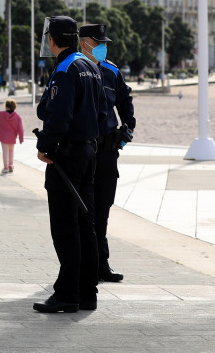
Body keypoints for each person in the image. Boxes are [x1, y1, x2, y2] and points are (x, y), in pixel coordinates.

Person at [33, 16, 105, 313]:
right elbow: (102, 113)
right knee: (85, 224)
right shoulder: (90, 66)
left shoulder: (65, 69)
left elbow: (57, 115)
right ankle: (87, 292)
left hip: (67, 155)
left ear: (53, 39)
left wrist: (45, 146)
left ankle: (67, 293)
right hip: (89, 152)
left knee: (65, 226)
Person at [79, 24, 136, 283]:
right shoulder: (74, 68)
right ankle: (84, 265)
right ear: (84, 43)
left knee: (103, 209)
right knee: (84, 210)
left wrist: (128, 127)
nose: (102, 46)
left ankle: (102, 265)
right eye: (97, 42)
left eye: (104, 42)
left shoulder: (112, 70)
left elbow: (125, 101)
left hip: (107, 150)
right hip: (83, 149)